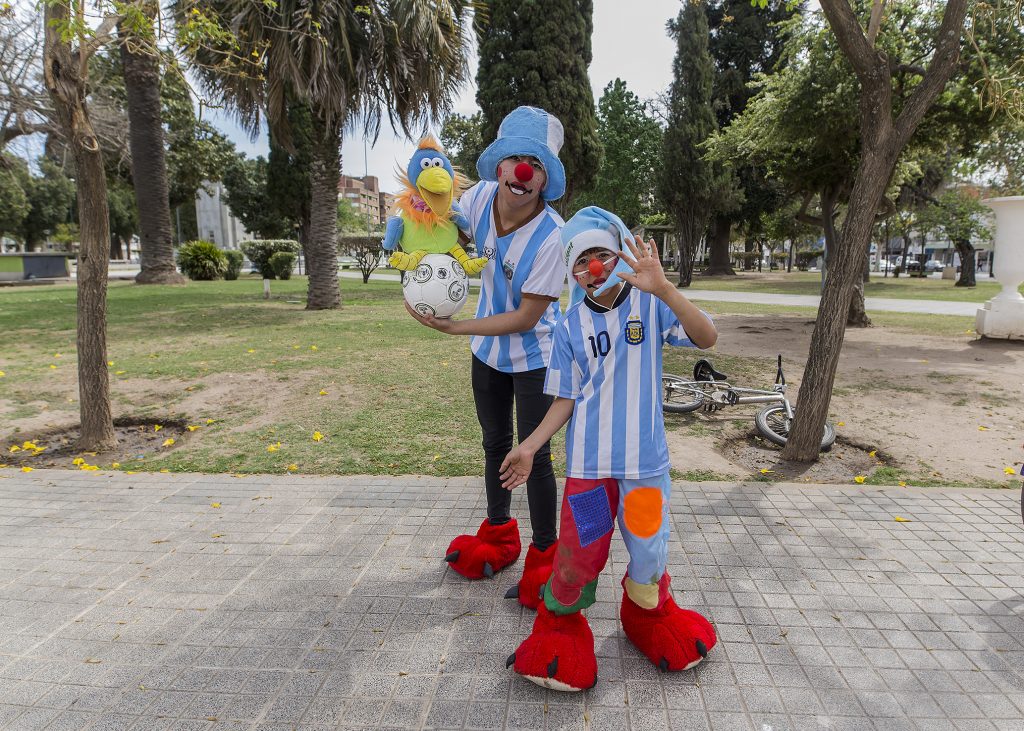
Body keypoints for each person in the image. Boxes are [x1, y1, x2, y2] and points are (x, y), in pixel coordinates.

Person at [498, 207, 719, 692]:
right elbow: (564, 399)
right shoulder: (568, 326)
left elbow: (707, 337)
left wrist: (663, 288)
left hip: (645, 469)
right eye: (582, 262)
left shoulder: (651, 304)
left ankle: (647, 614)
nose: (593, 268)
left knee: (647, 554)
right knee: (580, 554)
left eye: (602, 254)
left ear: (619, 254)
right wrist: (530, 446)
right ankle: (560, 626)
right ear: (572, 272)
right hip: (591, 470)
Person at [405, 106, 567, 608]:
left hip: (535, 356)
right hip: (487, 355)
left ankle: (546, 558)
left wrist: (455, 326)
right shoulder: (476, 199)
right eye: (515, 160)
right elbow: (435, 224)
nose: (522, 173)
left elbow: (524, 316)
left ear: (544, 179)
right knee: (494, 444)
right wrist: (418, 268)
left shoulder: (552, 236)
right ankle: (499, 534)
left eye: (534, 165)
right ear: (499, 166)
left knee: (533, 455)